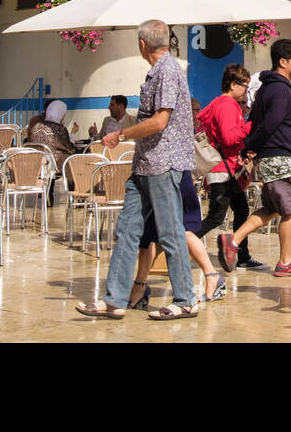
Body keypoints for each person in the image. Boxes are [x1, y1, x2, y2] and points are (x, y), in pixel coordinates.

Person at [76, 19, 197, 320]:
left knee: (169, 232)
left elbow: (159, 121)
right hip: (143, 166)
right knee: (127, 230)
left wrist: (121, 135)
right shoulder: (158, 71)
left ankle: (186, 299)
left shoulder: (168, 71)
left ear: (142, 44)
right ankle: (115, 299)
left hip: (162, 164)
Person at [217, 39, 291, 277]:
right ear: (283, 61)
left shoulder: (265, 89)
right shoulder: (280, 89)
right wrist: (250, 146)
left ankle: (233, 238)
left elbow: (259, 123)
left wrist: (251, 148)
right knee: (290, 208)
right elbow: (271, 123)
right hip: (280, 156)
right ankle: (286, 261)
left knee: (272, 207)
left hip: (268, 157)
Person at [196, 64, 266, 272]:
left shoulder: (221, 103)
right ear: (234, 84)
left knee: (241, 209)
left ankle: (242, 255)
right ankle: (182, 242)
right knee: (216, 216)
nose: (246, 90)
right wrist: (251, 126)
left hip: (226, 169)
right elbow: (228, 137)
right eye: (244, 86)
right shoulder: (226, 105)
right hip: (222, 170)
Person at [130, 170, 228, 306]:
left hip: (173, 173)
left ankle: (212, 275)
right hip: (154, 173)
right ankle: (139, 285)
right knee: (149, 234)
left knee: (181, 229)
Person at [23, 99, 77, 169]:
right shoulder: (60, 129)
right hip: (52, 164)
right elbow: (70, 148)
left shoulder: (37, 125)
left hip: (35, 161)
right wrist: (72, 134)